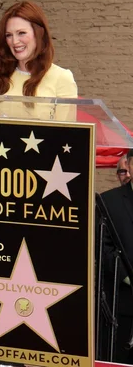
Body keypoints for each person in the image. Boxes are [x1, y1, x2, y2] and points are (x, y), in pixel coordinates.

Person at [0, 1, 78, 121]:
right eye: (8, 35)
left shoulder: (62, 77)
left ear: (39, 34)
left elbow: (67, 133)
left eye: (21, 33)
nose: (15, 41)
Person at [100, 148, 133, 363]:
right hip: (122, 305)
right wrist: (127, 276)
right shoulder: (108, 202)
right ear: (129, 165)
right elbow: (103, 246)